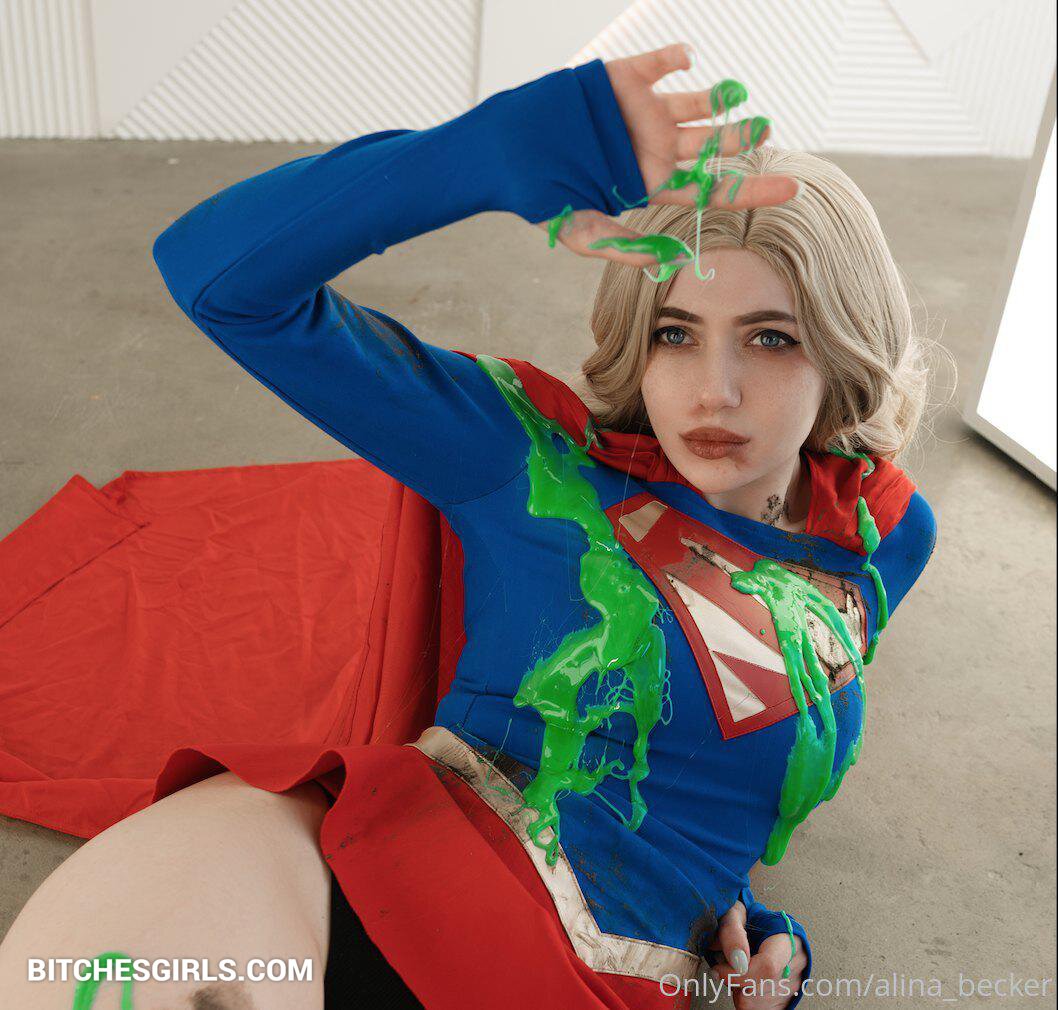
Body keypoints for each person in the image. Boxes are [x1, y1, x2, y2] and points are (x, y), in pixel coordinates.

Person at [0, 42, 937, 1010]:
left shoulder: (881, 537)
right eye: (675, 332)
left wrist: (749, 931)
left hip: (609, 978)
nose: (715, 389)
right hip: (371, 877)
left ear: (841, 349)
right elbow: (215, 277)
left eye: (771, 338)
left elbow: (720, 777)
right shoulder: (527, 459)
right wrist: (484, 152)